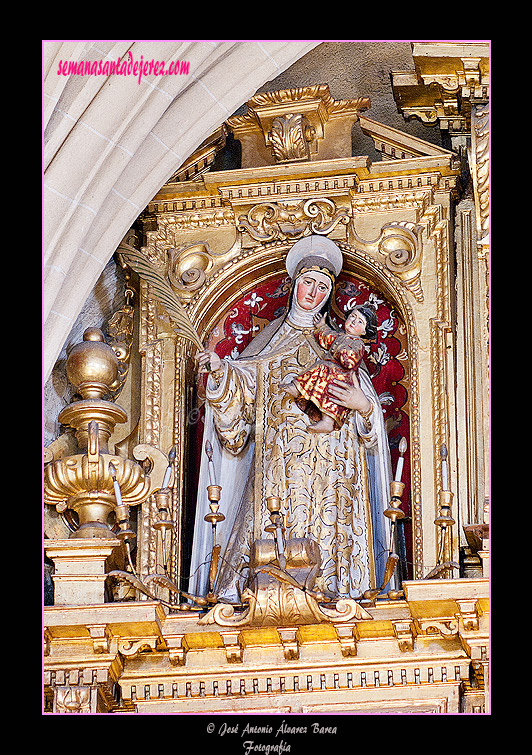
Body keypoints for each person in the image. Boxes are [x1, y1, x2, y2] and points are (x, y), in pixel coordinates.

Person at [189, 235, 393, 602]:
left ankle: (340, 588)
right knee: (269, 544)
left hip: (335, 472)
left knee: (333, 552)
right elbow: (242, 387)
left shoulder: (334, 341)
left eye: (322, 287)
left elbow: (367, 414)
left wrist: (364, 406)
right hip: (278, 467)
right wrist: (221, 372)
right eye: (308, 283)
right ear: (295, 285)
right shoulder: (268, 344)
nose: (313, 293)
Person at [284, 304, 378, 433]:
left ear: (364, 331)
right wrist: (322, 326)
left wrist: (340, 350)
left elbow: (350, 361)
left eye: (360, 322)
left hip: (343, 377)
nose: (353, 322)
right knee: (320, 368)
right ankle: (298, 388)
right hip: (330, 370)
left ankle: (328, 421)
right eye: (352, 317)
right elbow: (327, 337)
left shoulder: (358, 343)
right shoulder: (339, 336)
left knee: (334, 395)